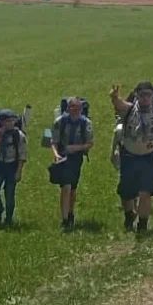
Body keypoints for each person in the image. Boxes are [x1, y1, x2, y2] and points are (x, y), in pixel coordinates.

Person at [111, 81, 153, 233]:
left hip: (149, 156)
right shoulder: (129, 110)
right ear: (137, 95)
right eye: (142, 95)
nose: (145, 98)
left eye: (148, 94)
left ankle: (142, 225)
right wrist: (114, 97)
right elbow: (119, 105)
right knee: (126, 192)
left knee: (145, 192)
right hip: (129, 155)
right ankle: (129, 215)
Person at [52, 97, 94, 230]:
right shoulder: (60, 122)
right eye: (72, 107)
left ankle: (70, 213)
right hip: (63, 158)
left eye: (77, 108)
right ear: (68, 108)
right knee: (66, 187)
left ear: (81, 109)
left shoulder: (86, 123)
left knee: (73, 189)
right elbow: (53, 141)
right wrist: (56, 154)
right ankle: (64, 219)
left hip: (76, 159)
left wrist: (76, 148)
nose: (74, 110)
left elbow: (90, 143)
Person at [0, 109, 27, 228]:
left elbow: (22, 155)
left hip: (12, 166)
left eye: (12, 121)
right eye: (7, 121)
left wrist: (19, 171)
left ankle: (8, 218)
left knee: (9, 194)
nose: (10, 123)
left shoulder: (19, 135)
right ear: (1, 122)